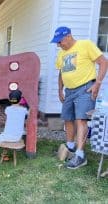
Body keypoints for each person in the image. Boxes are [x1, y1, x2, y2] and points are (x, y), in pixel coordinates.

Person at [50, 26, 107, 169]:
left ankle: (80, 156)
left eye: (60, 41)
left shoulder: (85, 45)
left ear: (68, 36)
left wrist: (97, 84)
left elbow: (103, 62)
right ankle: (70, 147)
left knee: (81, 119)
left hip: (85, 88)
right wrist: (59, 89)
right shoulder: (61, 54)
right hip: (69, 90)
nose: (58, 45)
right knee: (68, 118)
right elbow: (61, 73)